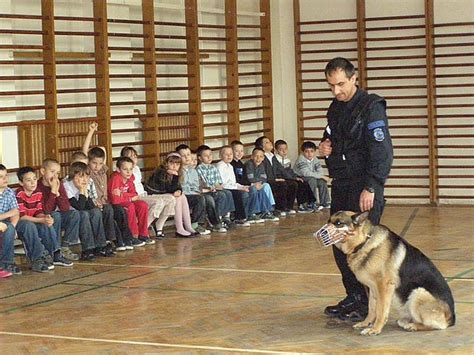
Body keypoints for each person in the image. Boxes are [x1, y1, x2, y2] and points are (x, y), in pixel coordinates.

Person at [319, 57, 393, 322]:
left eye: (340, 84)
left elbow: (382, 151)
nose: (336, 91)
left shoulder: (371, 107)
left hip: (364, 189)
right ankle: (354, 297)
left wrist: (371, 186)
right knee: (338, 244)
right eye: (331, 86)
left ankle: (369, 305)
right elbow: (331, 139)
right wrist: (324, 149)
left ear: (353, 78)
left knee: (363, 251)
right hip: (342, 186)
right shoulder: (335, 108)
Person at [82, 123, 135, 250]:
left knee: (120, 211)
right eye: (94, 163)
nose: (97, 166)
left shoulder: (102, 170)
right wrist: (91, 132)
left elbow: (103, 152)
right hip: (97, 204)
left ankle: (127, 239)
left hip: (107, 202)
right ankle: (110, 240)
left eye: (100, 163)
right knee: (109, 211)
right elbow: (85, 153)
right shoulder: (88, 171)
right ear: (89, 162)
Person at [15, 166, 73, 270]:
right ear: (21, 182)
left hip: (33, 220)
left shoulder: (38, 192)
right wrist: (41, 220)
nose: (33, 183)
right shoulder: (19, 194)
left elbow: (38, 212)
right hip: (21, 224)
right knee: (30, 225)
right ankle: (37, 259)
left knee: (47, 220)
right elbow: (22, 217)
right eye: (28, 180)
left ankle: (55, 253)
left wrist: (45, 218)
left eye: (34, 179)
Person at [63, 162, 115, 260]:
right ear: (73, 176)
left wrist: (85, 192)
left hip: (80, 210)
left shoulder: (86, 184)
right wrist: (82, 191)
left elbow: (90, 205)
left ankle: (100, 245)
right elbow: (79, 207)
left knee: (95, 212)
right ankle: (88, 249)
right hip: (71, 214)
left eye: (87, 177)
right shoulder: (67, 186)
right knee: (84, 214)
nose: (85, 180)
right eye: (81, 177)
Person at [121, 146, 175, 240]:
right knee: (159, 202)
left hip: (144, 194)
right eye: (130, 157)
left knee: (171, 199)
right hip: (136, 197)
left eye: (135, 156)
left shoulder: (137, 168)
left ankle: (159, 226)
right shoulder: (123, 171)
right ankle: (143, 230)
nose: (134, 159)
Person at [37, 158, 81, 261]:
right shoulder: (38, 186)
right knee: (55, 215)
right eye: (52, 172)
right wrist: (52, 192)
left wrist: (57, 193)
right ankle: (54, 249)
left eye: (57, 173)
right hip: (44, 217)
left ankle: (65, 247)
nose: (55, 176)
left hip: (56, 215)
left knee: (74, 214)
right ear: (43, 171)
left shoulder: (59, 184)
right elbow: (46, 210)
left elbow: (65, 208)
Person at [146, 153, 197, 238]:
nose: (174, 166)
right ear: (166, 163)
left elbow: (178, 187)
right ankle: (179, 228)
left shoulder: (176, 173)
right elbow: (168, 188)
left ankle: (188, 226)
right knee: (176, 198)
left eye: (177, 164)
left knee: (182, 196)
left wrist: (179, 191)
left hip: (164, 193)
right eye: (171, 163)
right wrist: (175, 178)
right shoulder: (160, 172)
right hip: (154, 194)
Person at [176, 144, 221, 234]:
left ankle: (215, 223)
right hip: (183, 196)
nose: (187, 157)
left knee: (208, 198)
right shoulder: (177, 171)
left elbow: (196, 186)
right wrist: (195, 192)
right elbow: (181, 188)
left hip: (193, 193)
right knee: (200, 198)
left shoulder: (193, 171)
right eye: (183, 156)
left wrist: (197, 191)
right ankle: (195, 224)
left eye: (188, 155)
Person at [108, 157, 151, 245]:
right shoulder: (115, 179)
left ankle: (143, 234)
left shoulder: (130, 179)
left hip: (125, 200)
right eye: (125, 169)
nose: (128, 172)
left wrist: (123, 195)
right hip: (116, 204)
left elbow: (135, 194)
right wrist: (129, 198)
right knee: (130, 206)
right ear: (118, 170)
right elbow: (115, 200)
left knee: (143, 205)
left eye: (130, 169)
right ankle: (132, 236)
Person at [254, 136, 297, 216]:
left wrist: (293, 178)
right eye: (266, 142)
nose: (270, 143)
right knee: (282, 185)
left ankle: (289, 207)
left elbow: (281, 169)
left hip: (276, 179)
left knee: (293, 183)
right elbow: (264, 173)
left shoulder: (272, 156)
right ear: (261, 146)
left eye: (270, 141)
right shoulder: (261, 157)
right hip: (267, 180)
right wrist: (275, 179)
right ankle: (280, 208)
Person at [195, 145, 235, 226]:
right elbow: (204, 183)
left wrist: (217, 186)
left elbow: (218, 182)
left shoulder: (213, 167)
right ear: (200, 158)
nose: (209, 157)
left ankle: (227, 216)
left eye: (210, 155)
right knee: (221, 195)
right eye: (206, 156)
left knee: (228, 193)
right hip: (207, 191)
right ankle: (217, 218)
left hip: (215, 189)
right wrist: (212, 187)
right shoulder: (199, 169)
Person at [274, 139, 315, 213]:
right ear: (276, 150)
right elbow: (282, 172)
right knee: (296, 184)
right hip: (281, 178)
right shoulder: (275, 159)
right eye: (281, 149)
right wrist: (294, 178)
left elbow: (289, 171)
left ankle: (310, 202)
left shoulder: (287, 159)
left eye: (285, 149)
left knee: (303, 182)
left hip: (289, 177)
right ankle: (301, 205)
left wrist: (296, 176)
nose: (284, 151)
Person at [215, 146, 252, 227]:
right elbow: (223, 184)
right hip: (223, 188)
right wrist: (238, 188)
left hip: (231, 187)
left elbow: (233, 182)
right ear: (220, 156)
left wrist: (242, 187)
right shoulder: (220, 166)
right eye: (226, 154)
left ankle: (245, 216)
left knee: (245, 192)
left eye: (231, 154)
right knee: (236, 193)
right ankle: (237, 218)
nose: (229, 156)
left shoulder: (230, 166)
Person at [293, 141, 331, 211]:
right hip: (299, 177)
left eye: (311, 151)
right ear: (302, 152)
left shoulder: (315, 159)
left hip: (312, 176)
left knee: (322, 181)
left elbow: (320, 171)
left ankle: (325, 202)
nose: (309, 154)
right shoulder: (301, 160)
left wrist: (321, 177)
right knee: (312, 180)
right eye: (306, 151)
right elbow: (306, 173)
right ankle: (312, 202)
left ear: (315, 152)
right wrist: (322, 176)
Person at [0, 164, 22, 275]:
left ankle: (38, 258)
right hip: (3, 223)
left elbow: (16, 212)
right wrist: (6, 215)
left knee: (26, 226)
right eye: (1, 177)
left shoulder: (9, 192)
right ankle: (4, 264)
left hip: (6, 223)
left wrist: (13, 227)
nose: (5, 179)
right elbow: (11, 212)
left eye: (6, 175)